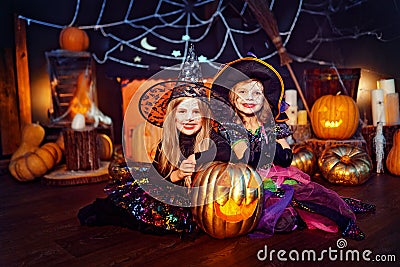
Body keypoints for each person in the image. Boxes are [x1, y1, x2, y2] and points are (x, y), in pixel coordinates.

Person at [210, 56, 375, 240]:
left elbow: (283, 146)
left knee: (305, 193)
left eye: (256, 93)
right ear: (232, 97)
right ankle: (310, 214)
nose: (249, 98)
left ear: (264, 98)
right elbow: (241, 154)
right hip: (250, 179)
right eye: (242, 92)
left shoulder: (268, 124)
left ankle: (342, 216)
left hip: (277, 172)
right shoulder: (232, 127)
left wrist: (284, 153)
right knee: (276, 208)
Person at [78, 45, 232, 235]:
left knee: (158, 216)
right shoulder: (167, 143)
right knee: (136, 198)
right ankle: (106, 211)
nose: (189, 118)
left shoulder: (211, 138)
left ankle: (112, 214)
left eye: (196, 112)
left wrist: (199, 157)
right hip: (168, 192)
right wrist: (176, 175)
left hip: (195, 204)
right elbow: (158, 177)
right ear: (172, 116)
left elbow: (226, 149)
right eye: (182, 111)